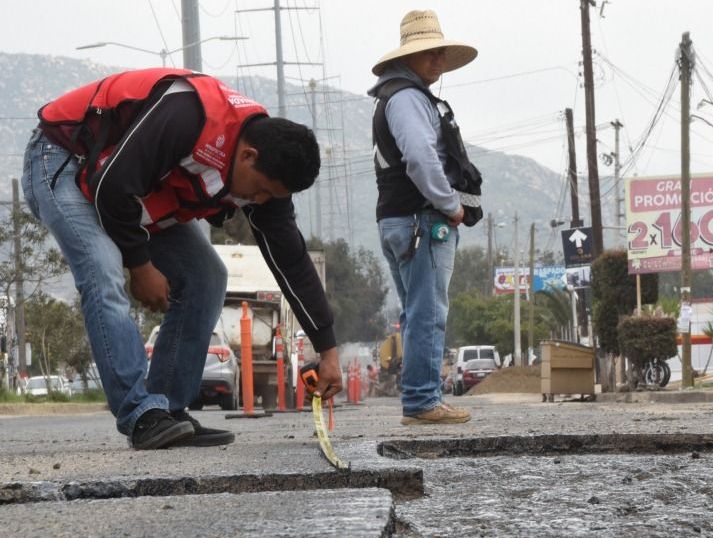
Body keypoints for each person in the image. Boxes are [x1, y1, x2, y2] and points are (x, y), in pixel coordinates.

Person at [23, 68, 343, 450]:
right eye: (258, 190)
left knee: (206, 276)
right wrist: (141, 266)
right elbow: (112, 188)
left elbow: (291, 262)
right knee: (103, 269)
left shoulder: (267, 178)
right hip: (63, 159)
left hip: (125, 191)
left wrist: (328, 350)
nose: (257, 203)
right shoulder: (187, 114)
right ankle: (140, 413)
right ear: (248, 155)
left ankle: (169, 410)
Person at [369, 10, 482, 425]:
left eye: (440, 54)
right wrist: (450, 204)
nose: (438, 61)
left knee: (415, 313)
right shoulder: (409, 99)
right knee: (428, 313)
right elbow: (420, 157)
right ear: (409, 57)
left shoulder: (392, 98)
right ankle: (421, 401)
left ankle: (420, 398)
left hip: (397, 219)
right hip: (421, 221)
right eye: (430, 53)